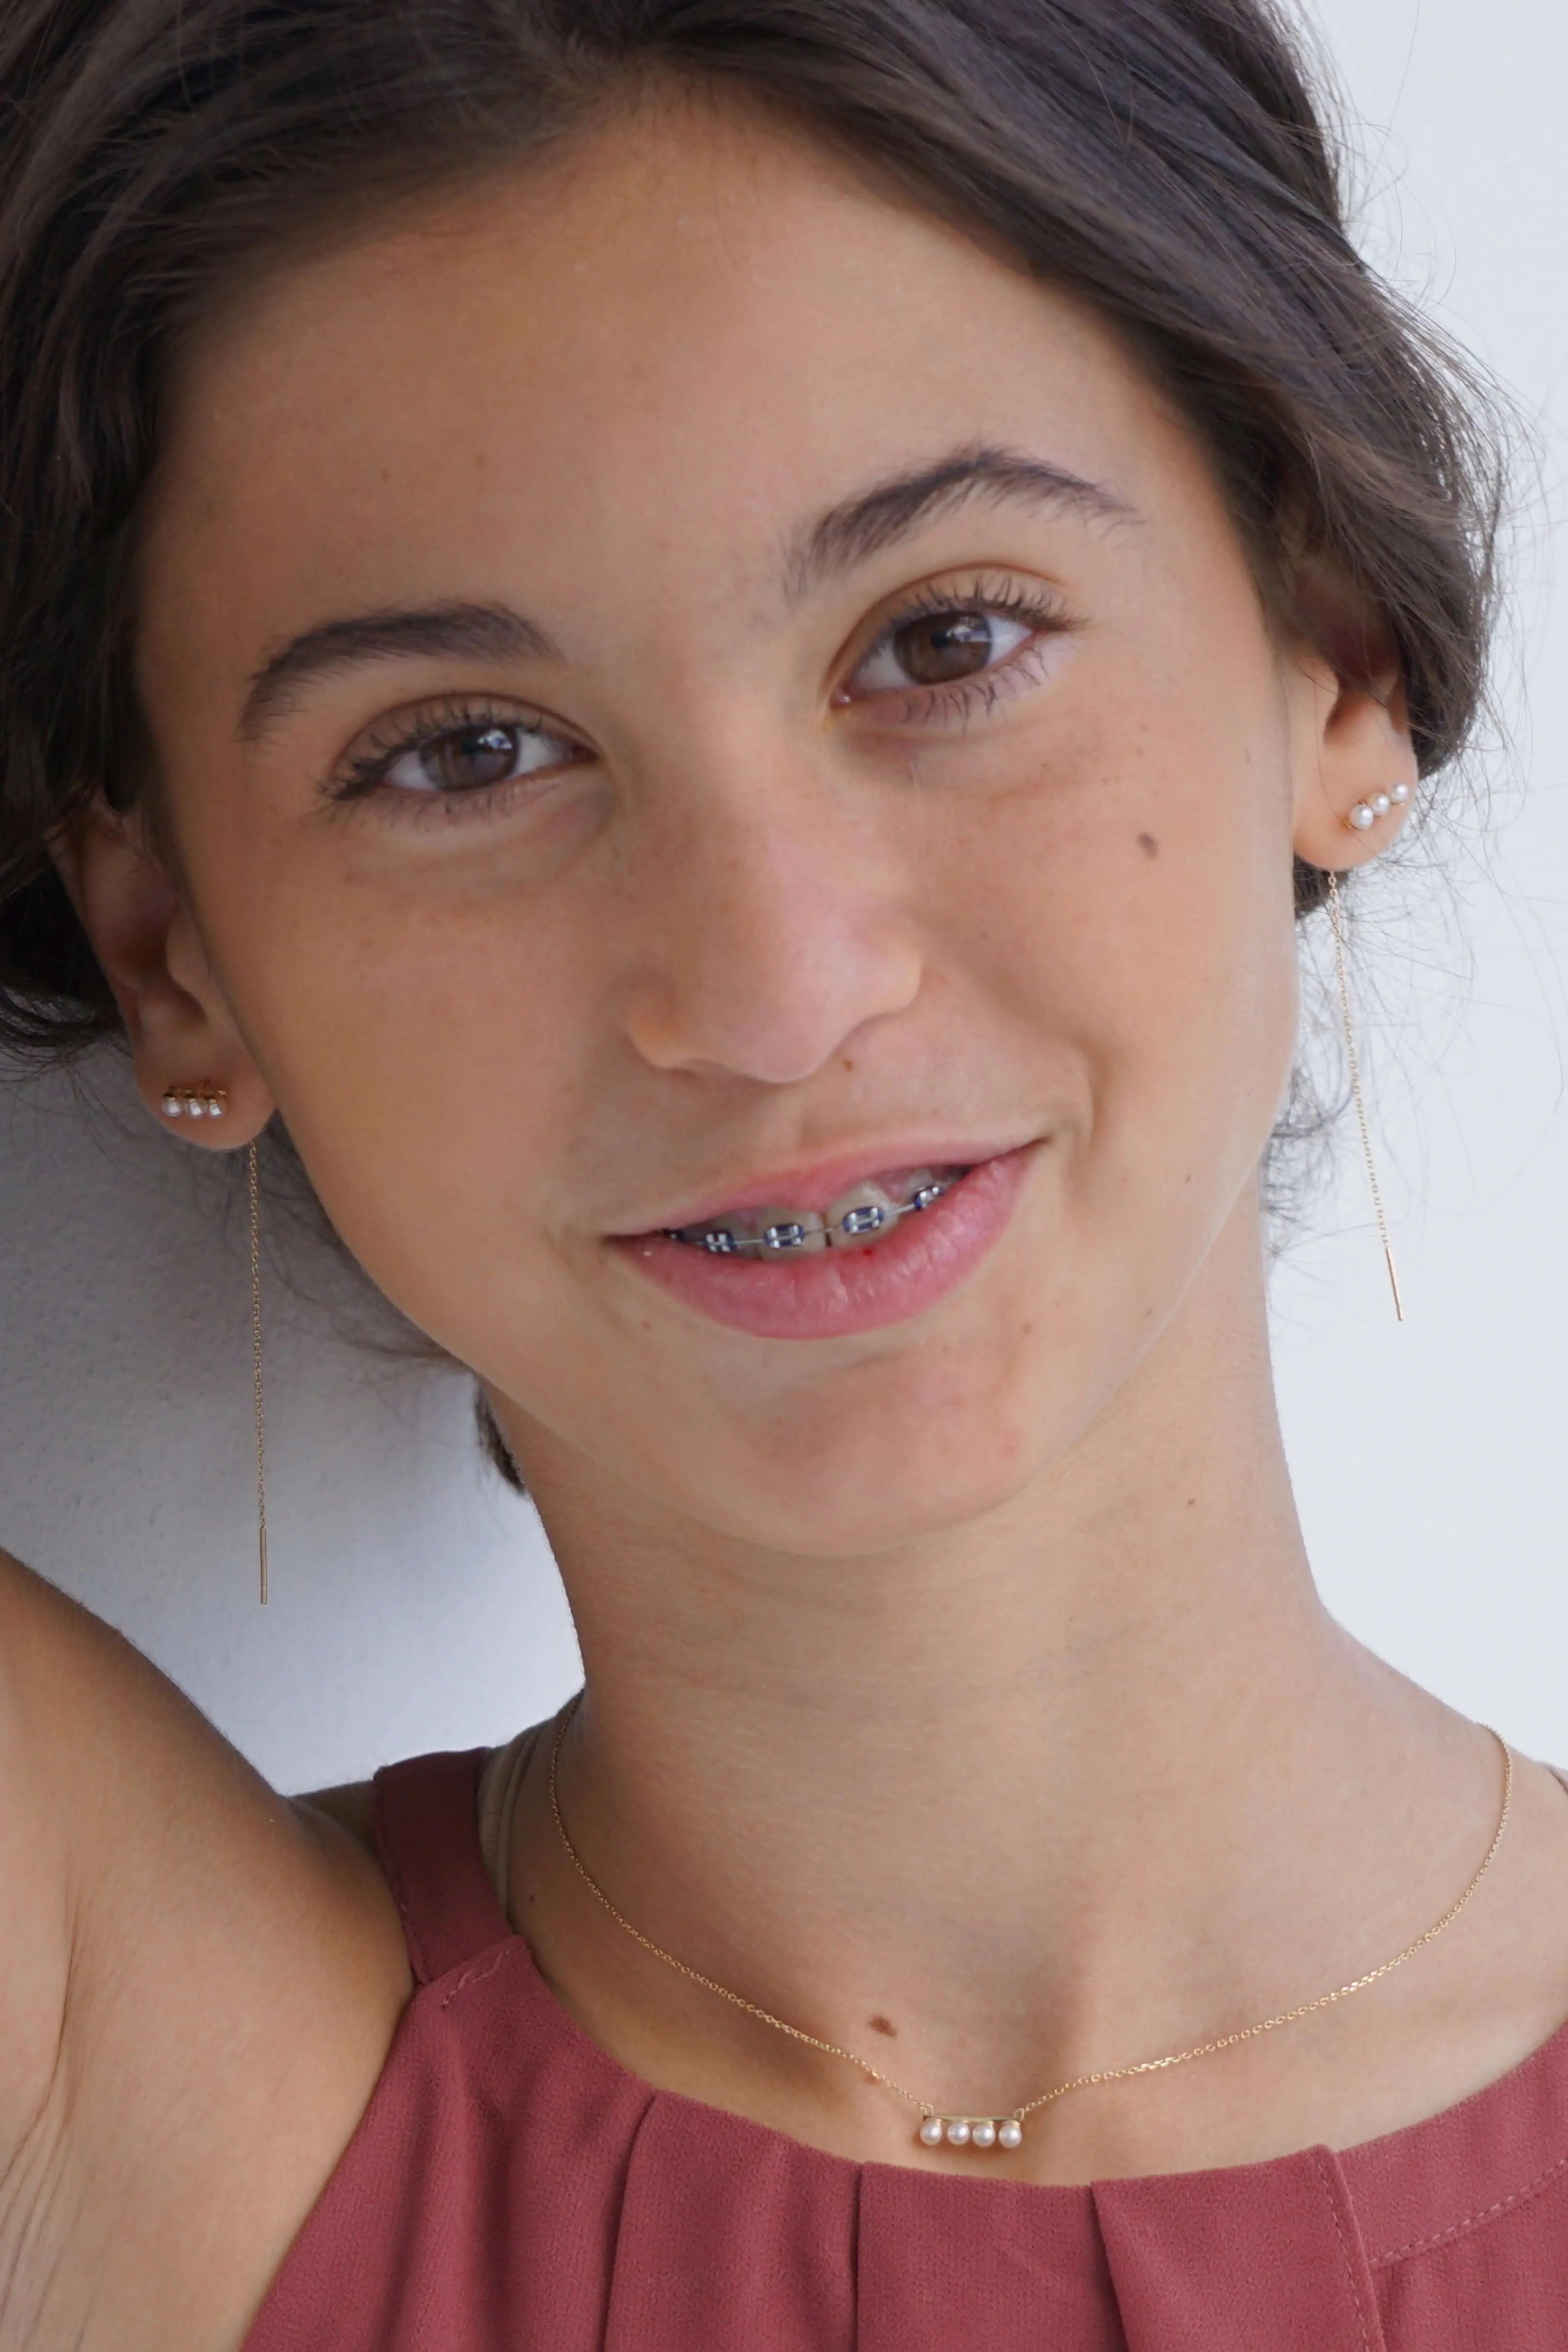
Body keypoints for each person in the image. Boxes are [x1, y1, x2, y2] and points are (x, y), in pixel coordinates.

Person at [0, 0, 1563, 2344]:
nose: (769, 988)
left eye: (947, 639)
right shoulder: (100, 2082)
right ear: (173, 953)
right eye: (464, 754)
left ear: (1333, 660)